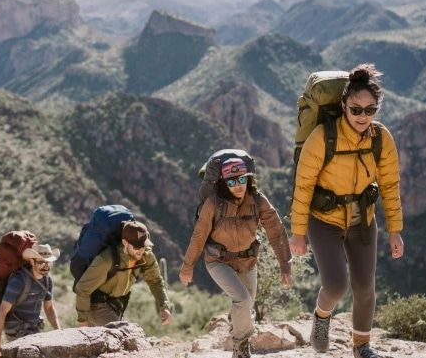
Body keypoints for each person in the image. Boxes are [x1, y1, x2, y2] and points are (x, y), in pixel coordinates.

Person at [289, 64, 404, 358]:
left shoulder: (381, 138)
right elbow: (303, 186)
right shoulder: (322, 137)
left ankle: (361, 346)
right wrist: (298, 233)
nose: (362, 116)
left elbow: (390, 185)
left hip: (362, 219)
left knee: (365, 287)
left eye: (370, 110)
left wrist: (395, 230)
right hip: (324, 220)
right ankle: (321, 315)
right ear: (344, 106)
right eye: (355, 109)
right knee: (336, 285)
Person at [179, 156, 292, 358]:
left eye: (242, 179)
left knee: (247, 305)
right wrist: (187, 266)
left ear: (249, 179)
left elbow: (276, 231)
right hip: (218, 261)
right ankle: (240, 348)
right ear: (224, 183)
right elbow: (199, 235)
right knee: (242, 299)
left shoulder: (258, 200)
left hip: (248, 261)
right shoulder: (213, 203)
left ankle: (240, 342)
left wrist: (285, 264)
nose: (238, 186)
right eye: (232, 182)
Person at [75, 220, 172, 327]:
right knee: (121, 333)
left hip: (117, 305)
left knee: (116, 334)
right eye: (136, 246)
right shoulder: (107, 259)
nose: (141, 250)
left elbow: (155, 281)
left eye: (143, 245)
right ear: (125, 243)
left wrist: (164, 306)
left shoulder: (146, 255)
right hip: (97, 305)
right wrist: (82, 321)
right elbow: (83, 288)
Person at [0, 244, 61, 358]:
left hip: (34, 328)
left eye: (49, 262)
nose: (46, 266)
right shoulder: (18, 281)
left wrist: (59, 331)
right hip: (16, 329)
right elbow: (2, 311)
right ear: (32, 262)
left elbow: (49, 308)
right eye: (41, 262)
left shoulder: (47, 281)